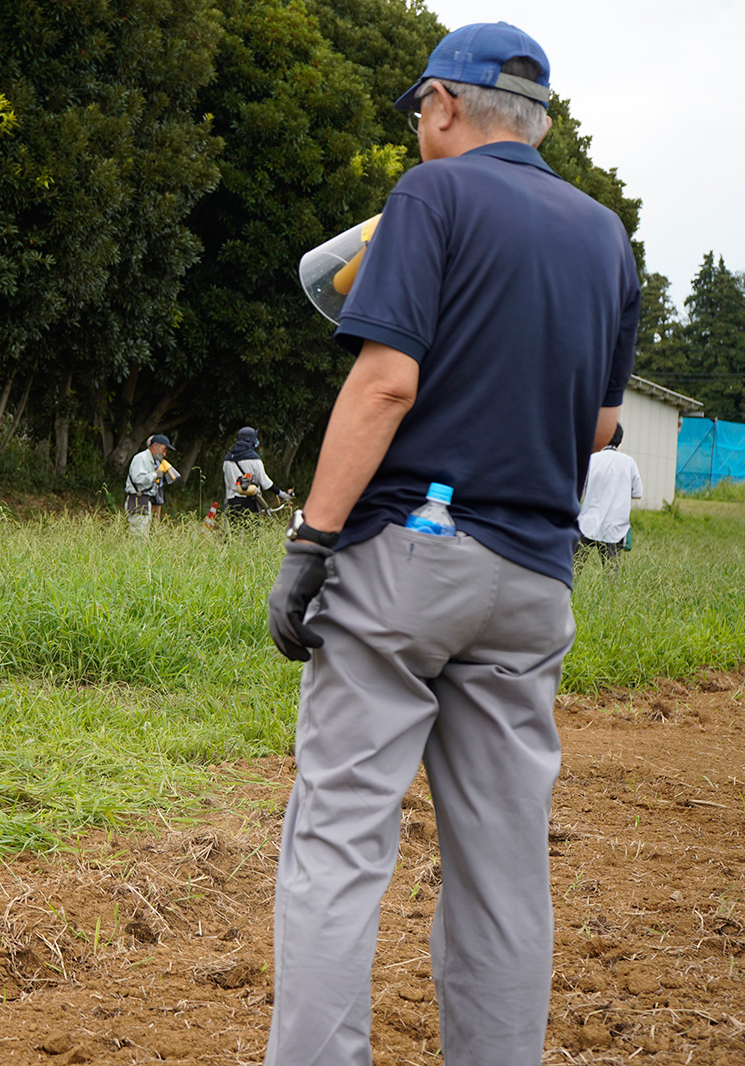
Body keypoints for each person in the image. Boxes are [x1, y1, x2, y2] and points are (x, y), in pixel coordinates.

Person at [265, 22, 638, 1066]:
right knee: (504, 863)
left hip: (409, 556)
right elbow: (602, 428)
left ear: (442, 104)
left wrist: (310, 539)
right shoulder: (606, 235)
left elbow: (385, 381)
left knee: (339, 840)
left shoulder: (429, 198)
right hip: (532, 578)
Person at [577, 422, 643, 564]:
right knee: (611, 574)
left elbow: (578, 488)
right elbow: (638, 493)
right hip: (614, 526)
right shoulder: (629, 462)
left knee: (574, 568)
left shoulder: (591, 459)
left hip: (588, 522)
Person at [222, 426, 293, 515]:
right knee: (252, 528)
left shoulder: (227, 459)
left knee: (234, 528)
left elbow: (228, 485)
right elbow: (265, 483)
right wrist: (281, 494)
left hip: (232, 503)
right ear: (250, 440)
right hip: (250, 503)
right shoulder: (254, 459)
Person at [124, 434, 174, 535]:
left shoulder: (151, 460)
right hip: (137, 500)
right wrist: (155, 475)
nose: (164, 454)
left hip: (145, 501)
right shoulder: (141, 458)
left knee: (144, 535)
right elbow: (138, 479)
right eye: (163, 450)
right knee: (138, 537)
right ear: (155, 445)